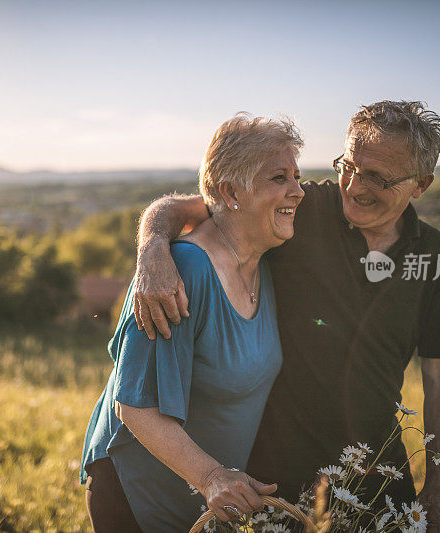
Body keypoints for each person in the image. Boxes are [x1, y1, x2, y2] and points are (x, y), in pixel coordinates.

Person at [134, 101, 440, 532]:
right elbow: (203, 203)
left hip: (376, 473)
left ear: (420, 184)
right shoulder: (299, 206)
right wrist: (152, 247)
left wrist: (435, 496)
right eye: (349, 165)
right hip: (272, 474)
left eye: (378, 178)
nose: (354, 186)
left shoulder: (433, 253)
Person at [80, 113, 306, 532]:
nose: (297, 190)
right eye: (279, 177)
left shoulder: (263, 255)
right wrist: (211, 477)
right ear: (231, 192)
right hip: (138, 497)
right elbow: (135, 406)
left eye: (297, 175)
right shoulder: (183, 270)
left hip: (205, 500)